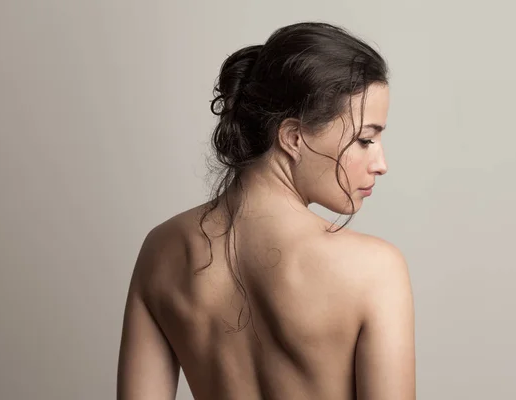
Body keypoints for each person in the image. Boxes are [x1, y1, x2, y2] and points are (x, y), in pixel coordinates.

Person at [117, 21, 415, 400]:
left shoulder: (160, 249)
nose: (381, 163)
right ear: (293, 137)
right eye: (365, 140)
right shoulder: (375, 268)